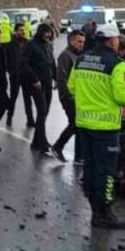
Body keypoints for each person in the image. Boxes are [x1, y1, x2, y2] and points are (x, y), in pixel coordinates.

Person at [68, 23, 125, 229]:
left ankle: (94, 210)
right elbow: (123, 97)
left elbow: (71, 87)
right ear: (112, 40)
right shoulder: (117, 64)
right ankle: (105, 211)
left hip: (84, 123)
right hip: (106, 127)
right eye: (117, 39)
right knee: (106, 170)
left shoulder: (81, 59)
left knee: (89, 167)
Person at [21, 23, 57, 153]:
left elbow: (52, 63)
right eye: (46, 33)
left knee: (45, 112)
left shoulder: (48, 45)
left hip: (47, 83)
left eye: (50, 33)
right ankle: (42, 142)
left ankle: (36, 141)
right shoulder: (30, 45)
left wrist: (56, 78)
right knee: (42, 111)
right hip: (37, 84)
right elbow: (24, 64)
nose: (48, 35)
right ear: (41, 32)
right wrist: (34, 79)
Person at [52, 30, 85, 163]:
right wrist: (68, 95)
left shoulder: (78, 55)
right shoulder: (65, 56)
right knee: (75, 124)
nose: (81, 44)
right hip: (69, 97)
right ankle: (57, 147)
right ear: (71, 41)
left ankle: (79, 156)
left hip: (78, 96)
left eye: (83, 42)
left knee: (79, 125)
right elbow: (61, 78)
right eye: (79, 41)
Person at [3, 23, 34, 127]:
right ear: (15, 31)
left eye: (23, 30)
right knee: (14, 96)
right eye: (20, 30)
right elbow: (6, 61)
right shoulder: (9, 45)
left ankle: (30, 119)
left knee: (27, 97)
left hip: (26, 75)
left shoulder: (28, 43)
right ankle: (9, 116)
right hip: (15, 75)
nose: (23, 32)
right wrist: (11, 71)